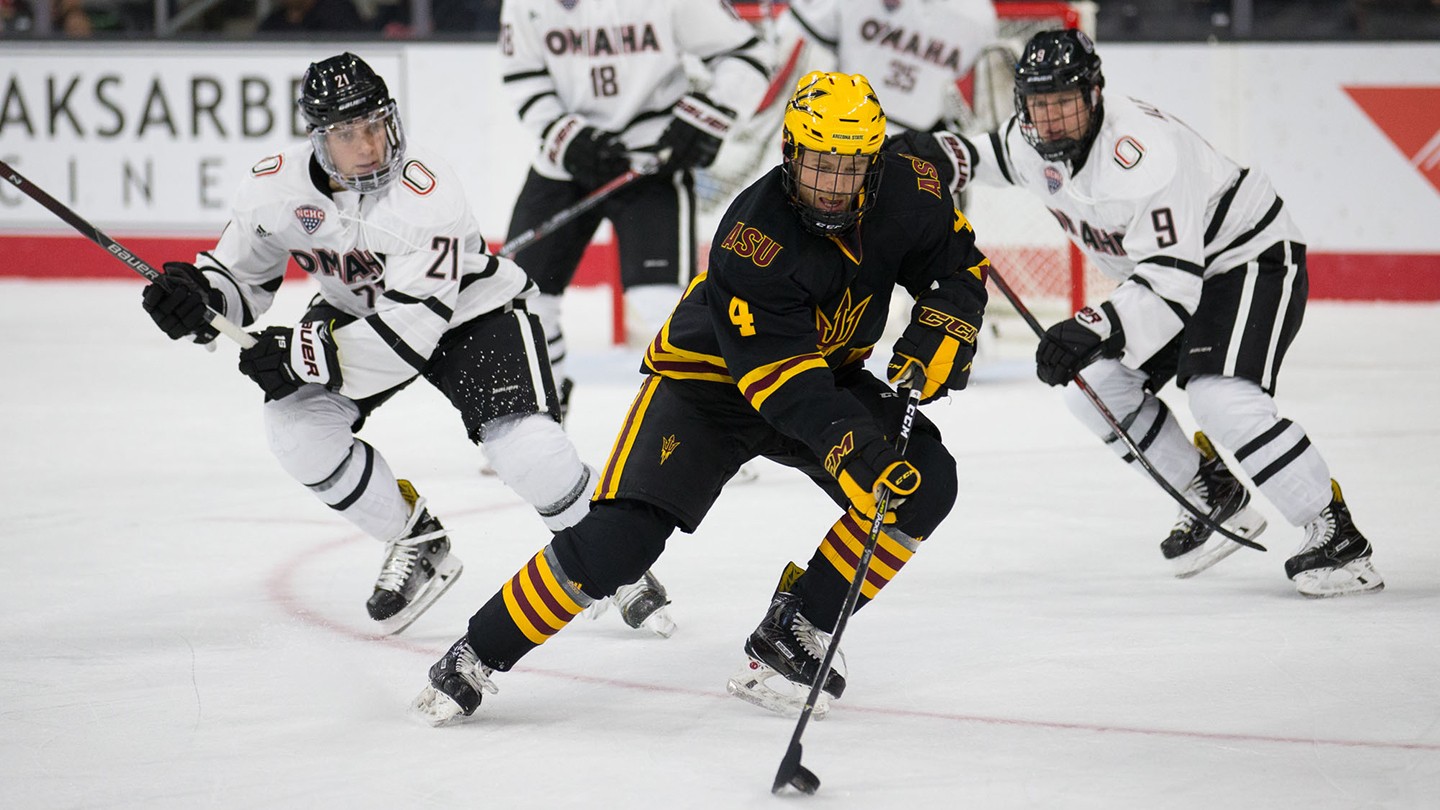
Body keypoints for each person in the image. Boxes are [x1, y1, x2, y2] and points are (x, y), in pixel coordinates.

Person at [409, 71, 990, 726]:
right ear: (790, 153)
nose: (830, 184)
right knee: (621, 543)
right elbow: (784, 382)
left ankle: (797, 626)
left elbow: (957, 266)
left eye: (848, 166)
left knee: (924, 482)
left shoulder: (912, 188)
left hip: (826, 374)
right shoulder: (754, 237)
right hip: (711, 385)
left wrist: (948, 324)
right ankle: (474, 654)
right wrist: (859, 452)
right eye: (817, 164)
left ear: (876, 160)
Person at [138, 52, 673, 637]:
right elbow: (240, 280)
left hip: (468, 313)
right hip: (356, 314)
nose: (368, 145)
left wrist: (301, 357)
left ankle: (615, 562)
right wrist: (199, 299)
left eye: (375, 125)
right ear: (318, 140)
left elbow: (409, 335)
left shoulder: (427, 192)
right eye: (347, 133)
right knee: (296, 433)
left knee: (528, 453)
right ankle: (416, 539)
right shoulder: (273, 189)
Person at [891, 29, 1384, 597]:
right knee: (1090, 385)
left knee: (1219, 397)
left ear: (1094, 95)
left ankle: (1335, 535)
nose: (1049, 121)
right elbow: (996, 156)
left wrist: (1090, 325)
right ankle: (1212, 495)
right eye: (1038, 106)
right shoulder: (1033, 139)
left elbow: (1174, 288)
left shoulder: (1143, 155)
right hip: (1166, 279)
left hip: (1245, 257)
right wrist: (937, 153)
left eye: (1063, 105)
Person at [496, 0, 775, 394]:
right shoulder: (528, 5)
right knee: (522, 300)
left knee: (664, 307)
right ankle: (536, 426)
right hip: (566, 164)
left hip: (651, 163)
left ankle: (718, 429)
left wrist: (713, 112)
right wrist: (563, 134)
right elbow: (522, 74)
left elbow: (747, 53)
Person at [776, 0, 1000, 135]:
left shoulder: (979, 16)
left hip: (922, 150)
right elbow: (798, 45)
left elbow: (982, 95)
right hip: (835, 134)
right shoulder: (980, 14)